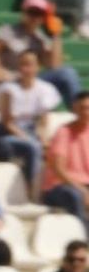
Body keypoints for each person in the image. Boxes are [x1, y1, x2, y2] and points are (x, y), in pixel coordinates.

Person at [0, 0, 81, 105]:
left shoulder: (41, 39)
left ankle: (82, 112)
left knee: (67, 73)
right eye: (32, 12)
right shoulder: (9, 31)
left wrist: (56, 34)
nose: (35, 17)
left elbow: (55, 65)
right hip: (11, 79)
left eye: (40, 14)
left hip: (31, 79)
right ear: (24, 12)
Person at [0, 47, 59, 188]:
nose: (26, 69)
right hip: (7, 133)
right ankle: (31, 187)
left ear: (38, 67)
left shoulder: (45, 90)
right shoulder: (8, 90)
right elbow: (7, 123)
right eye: (23, 64)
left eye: (30, 64)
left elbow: (43, 122)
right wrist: (27, 138)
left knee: (54, 148)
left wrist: (44, 140)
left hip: (31, 131)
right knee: (32, 147)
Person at [40, 88, 89, 226]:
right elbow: (58, 169)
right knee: (75, 197)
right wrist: (82, 190)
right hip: (59, 187)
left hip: (83, 185)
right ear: (75, 109)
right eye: (83, 108)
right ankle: (84, 241)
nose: (86, 112)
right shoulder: (64, 132)